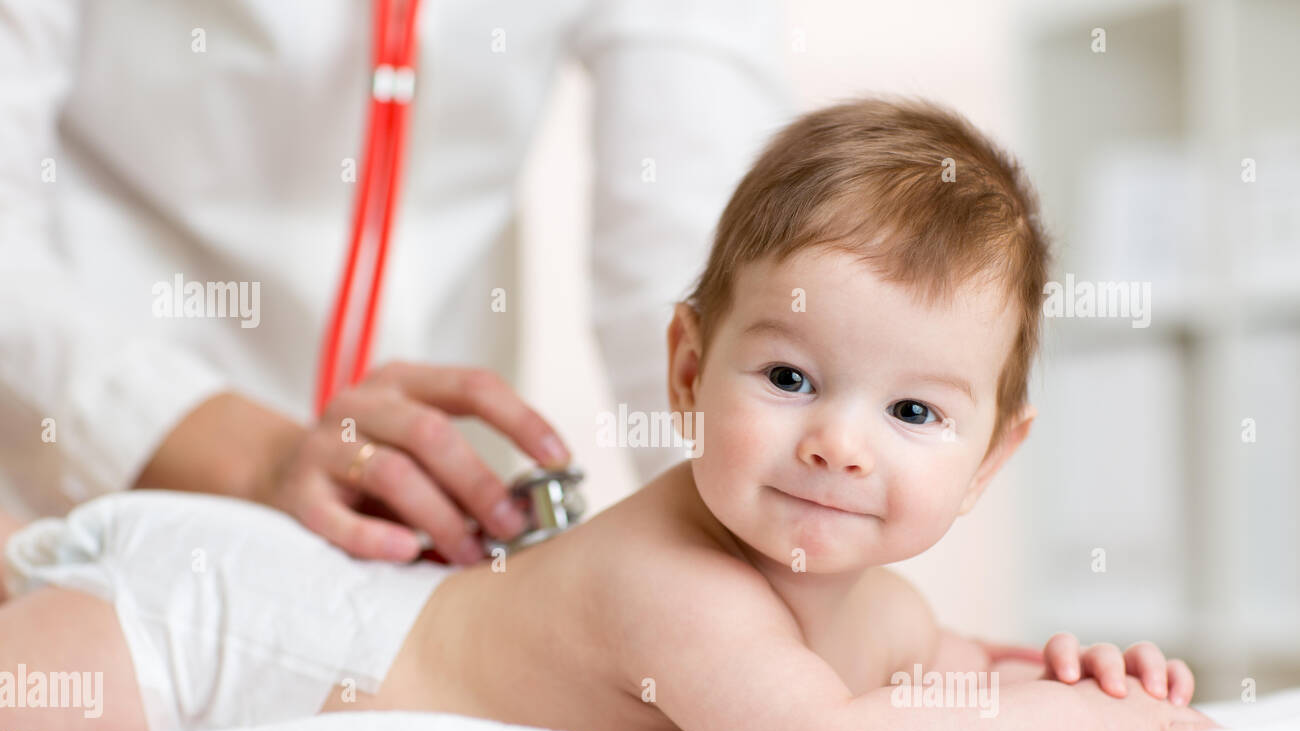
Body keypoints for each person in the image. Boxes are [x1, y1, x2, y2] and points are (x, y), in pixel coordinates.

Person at [0, 97, 1219, 731]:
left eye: (911, 412)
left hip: (311, 601)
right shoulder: (682, 587)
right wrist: (1094, 726)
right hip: (222, 629)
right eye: (790, 376)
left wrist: (1069, 673)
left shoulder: (867, 600)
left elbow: (943, 671)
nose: (841, 446)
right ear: (686, 370)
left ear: (990, 458)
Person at [0, 0, 795, 563]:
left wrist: (745, 540)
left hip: (426, 522)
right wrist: (256, 460)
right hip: (82, 493)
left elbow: (699, 234)